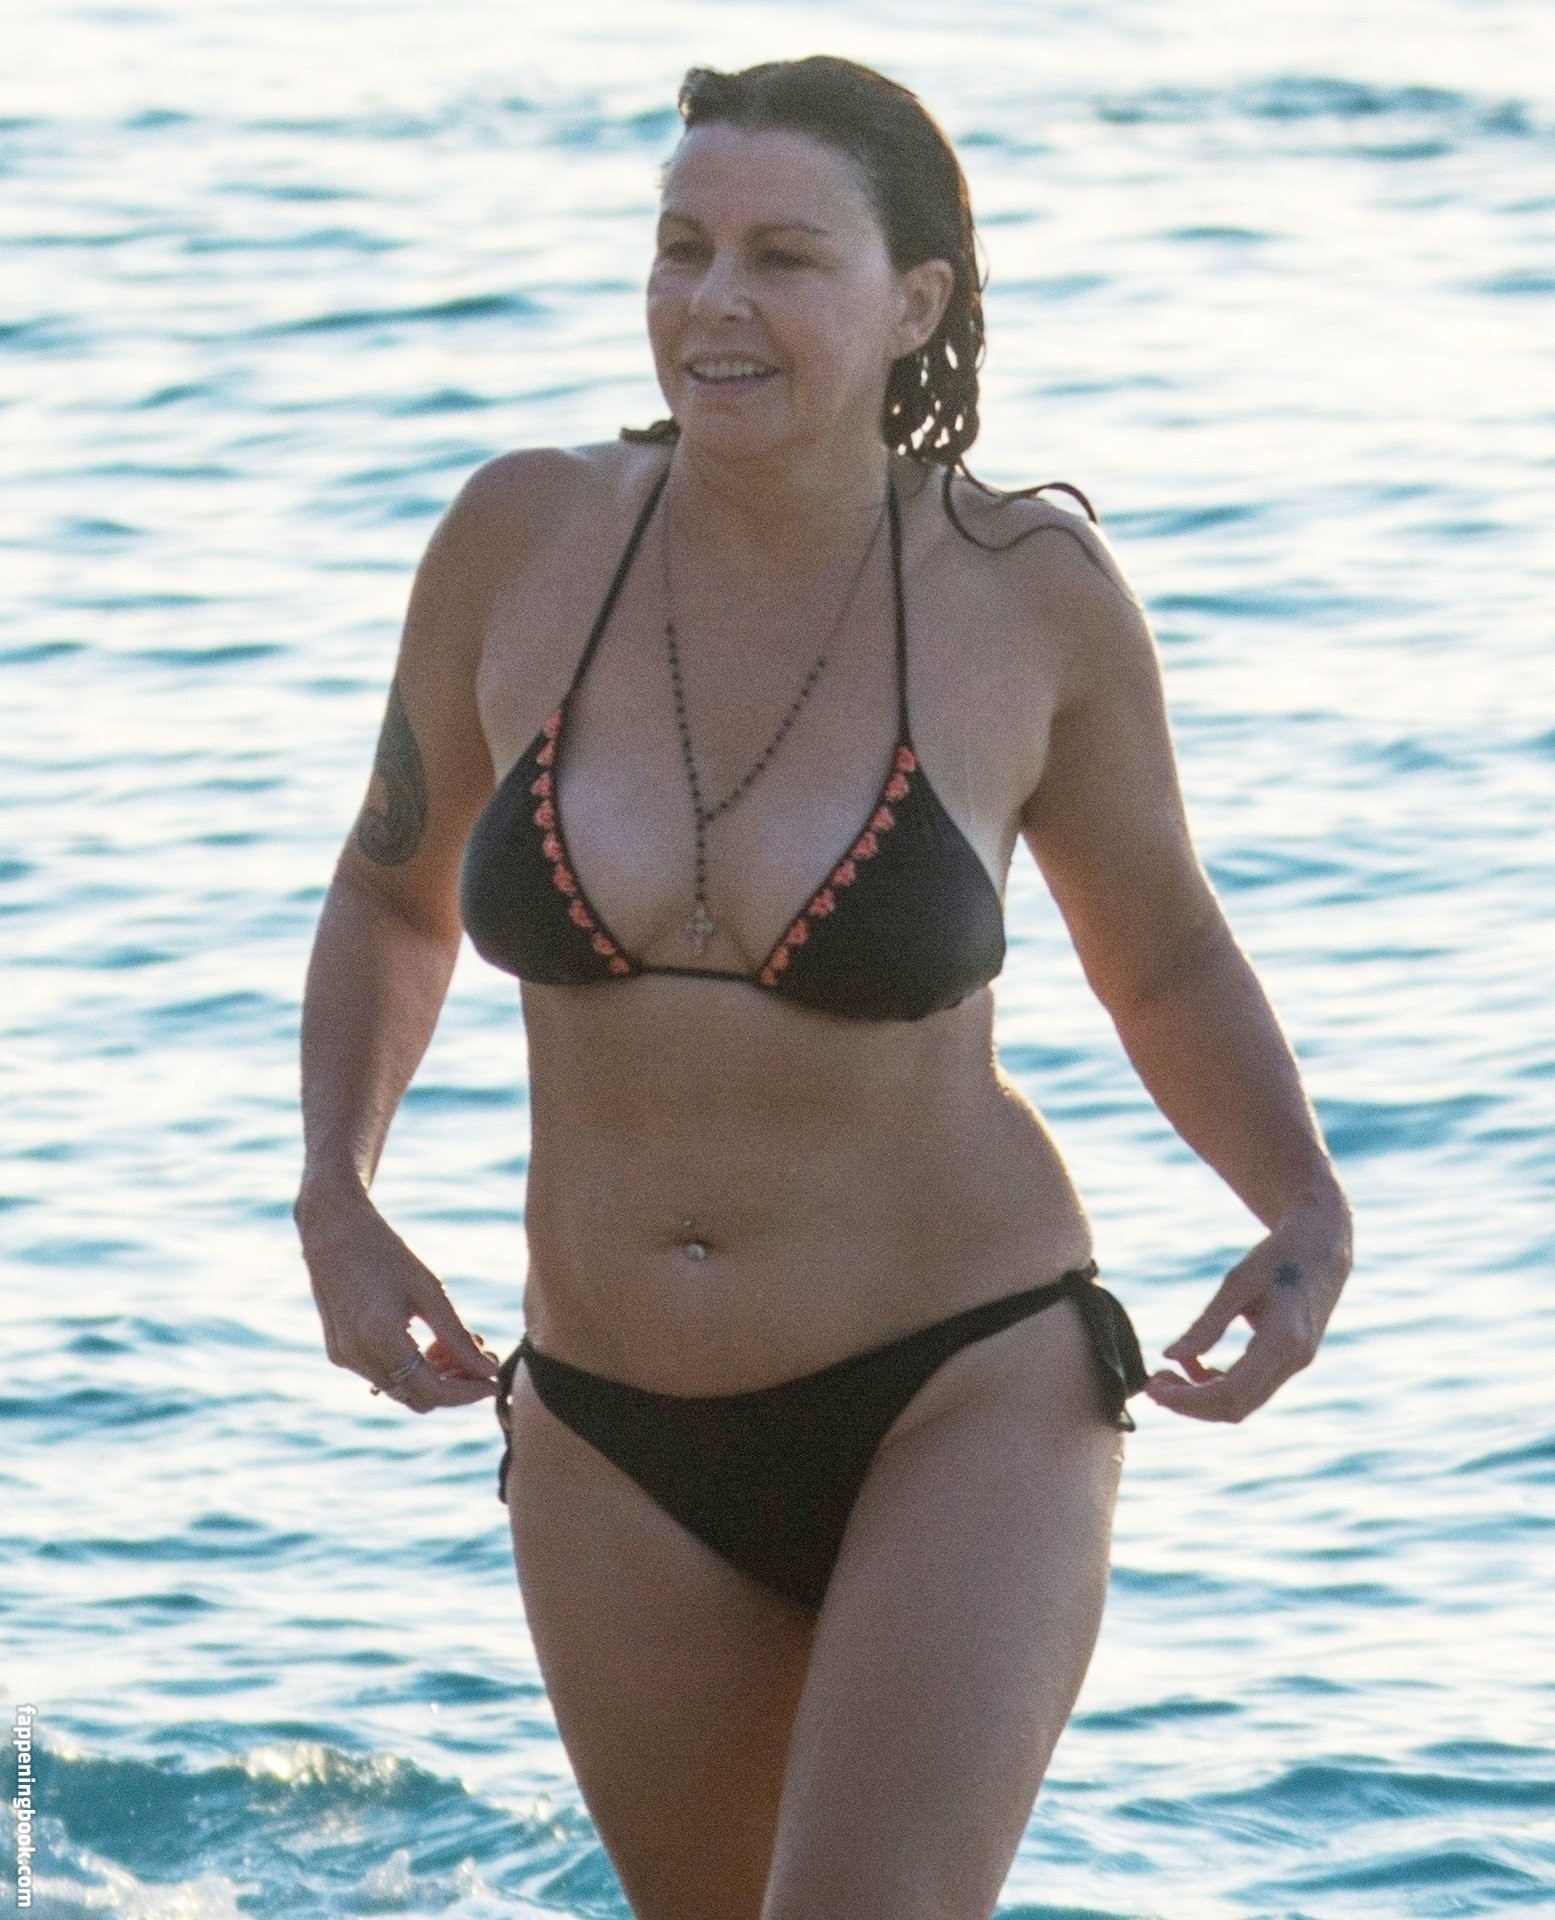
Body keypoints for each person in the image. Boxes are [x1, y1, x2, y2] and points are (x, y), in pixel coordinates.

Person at [294, 54, 1353, 1920]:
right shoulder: (519, 541)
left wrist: (1302, 1206)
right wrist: (337, 1191)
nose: (714, 302)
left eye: (784, 258)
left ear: (915, 301)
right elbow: (392, 896)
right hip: (605, 1420)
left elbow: (1167, 951)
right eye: (681, 248)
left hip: (962, 1380)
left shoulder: (1025, 592)